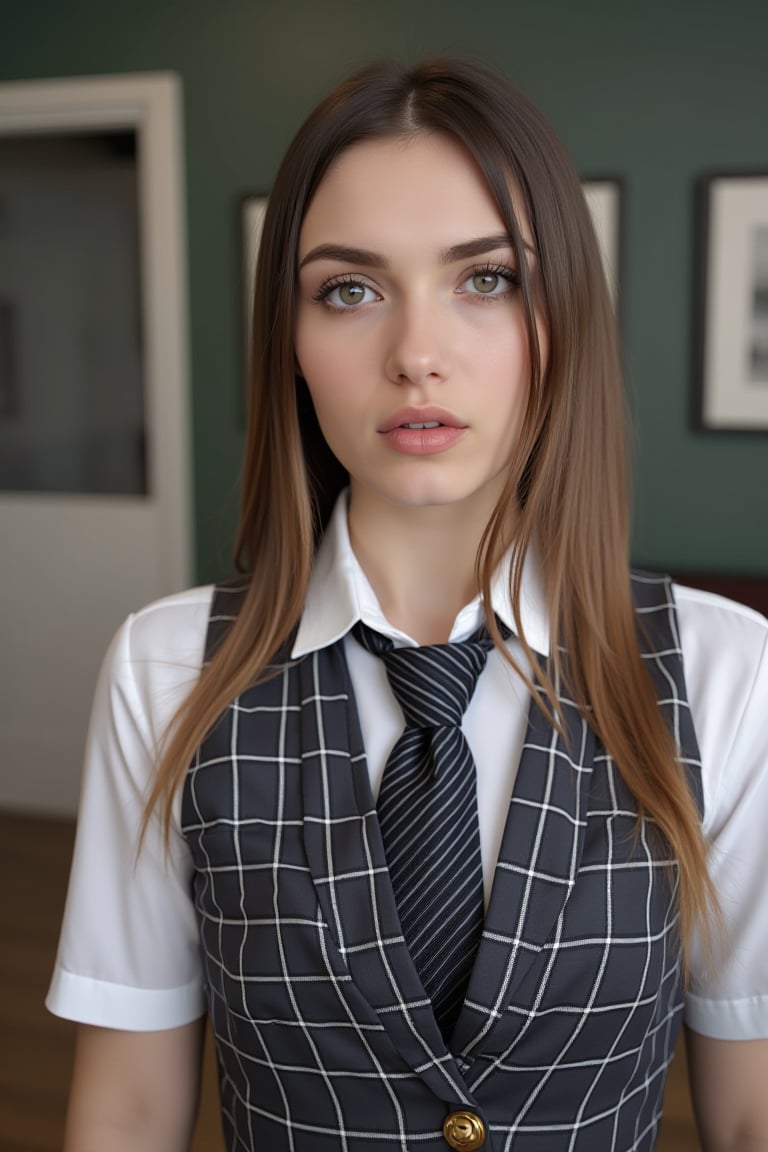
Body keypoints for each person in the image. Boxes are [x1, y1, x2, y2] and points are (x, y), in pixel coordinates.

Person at [47, 57, 768, 1152]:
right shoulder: (167, 668)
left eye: (486, 280)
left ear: (561, 319)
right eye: (350, 289)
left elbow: (752, 1105)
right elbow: (131, 1106)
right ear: (288, 342)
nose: (415, 356)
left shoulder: (727, 672)